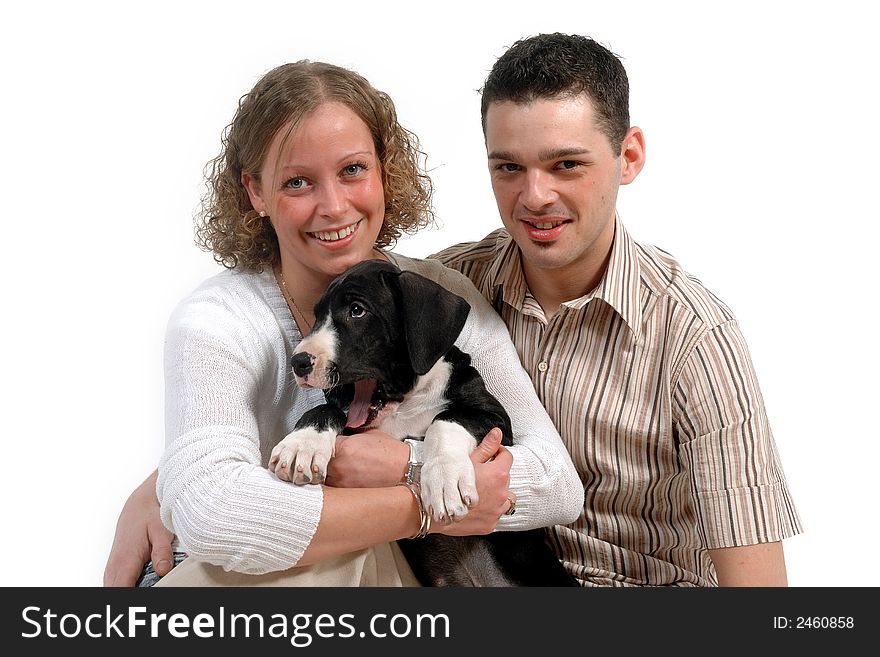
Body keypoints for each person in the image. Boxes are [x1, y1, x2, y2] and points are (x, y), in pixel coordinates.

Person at [106, 33, 804, 588]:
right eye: (508, 167)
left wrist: (401, 473)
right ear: (254, 192)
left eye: (566, 164)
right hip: (445, 581)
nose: (534, 196)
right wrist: (174, 479)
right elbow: (239, 489)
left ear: (629, 157)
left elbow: (757, 594)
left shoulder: (694, 336)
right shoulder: (450, 286)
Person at [104, 60, 583, 587]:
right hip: (270, 572)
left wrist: (401, 462)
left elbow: (556, 483)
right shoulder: (217, 321)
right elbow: (215, 513)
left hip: (390, 570)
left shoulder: (432, 297)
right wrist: (422, 499)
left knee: (337, 552)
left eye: (353, 169)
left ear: (385, 170)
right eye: (297, 181)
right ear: (255, 193)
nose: (333, 206)